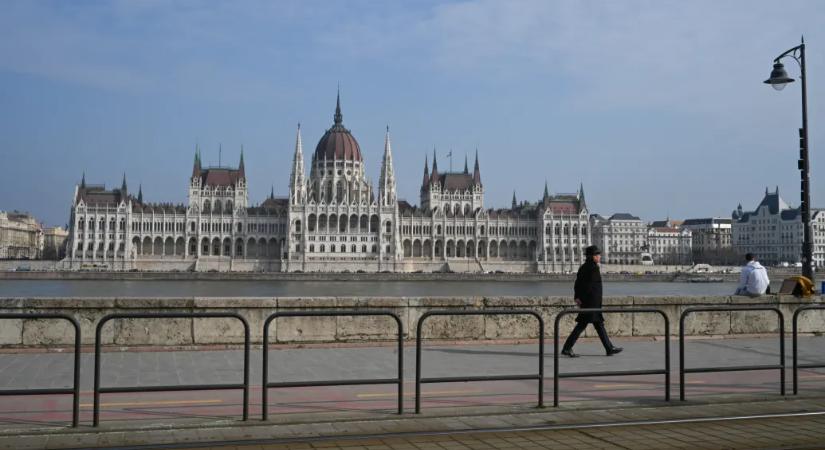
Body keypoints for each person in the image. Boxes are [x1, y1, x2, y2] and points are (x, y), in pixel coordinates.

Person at [561, 245, 623, 358]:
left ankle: (609, 348)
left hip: (588, 302)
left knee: (597, 325)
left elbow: (577, 284)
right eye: (598, 255)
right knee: (584, 326)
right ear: (593, 256)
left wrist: (577, 297)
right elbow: (589, 287)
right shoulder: (593, 268)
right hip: (591, 302)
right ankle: (567, 348)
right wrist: (582, 299)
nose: (599, 256)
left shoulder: (584, 267)